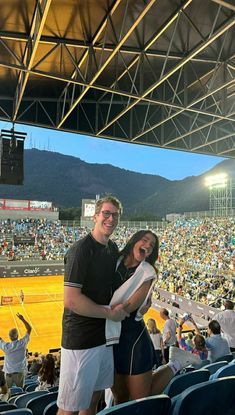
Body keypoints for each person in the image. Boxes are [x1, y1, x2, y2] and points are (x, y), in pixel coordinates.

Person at [57, 195, 129, 415]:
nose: (110, 219)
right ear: (95, 216)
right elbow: (71, 300)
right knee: (69, 408)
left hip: (104, 338)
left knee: (93, 399)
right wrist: (109, 314)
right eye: (106, 213)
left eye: (115, 215)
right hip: (80, 340)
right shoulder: (80, 250)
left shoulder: (112, 248)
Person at [110, 230, 159, 404]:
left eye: (152, 245)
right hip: (110, 336)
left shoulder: (148, 271)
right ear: (133, 241)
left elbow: (129, 306)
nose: (147, 245)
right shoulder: (113, 260)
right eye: (144, 240)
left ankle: (174, 366)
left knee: (140, 399)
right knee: (120, 397)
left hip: (133, 338)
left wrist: (107, 312)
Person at [0, 313, 32, 388]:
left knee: (8, 391)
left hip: (9, 374)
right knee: (21, 389)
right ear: (17, 336)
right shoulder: (23, 343)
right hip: (19, 372)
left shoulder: (5, 346)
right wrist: (22, 319)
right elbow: (29, 329)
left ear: (9, 337)